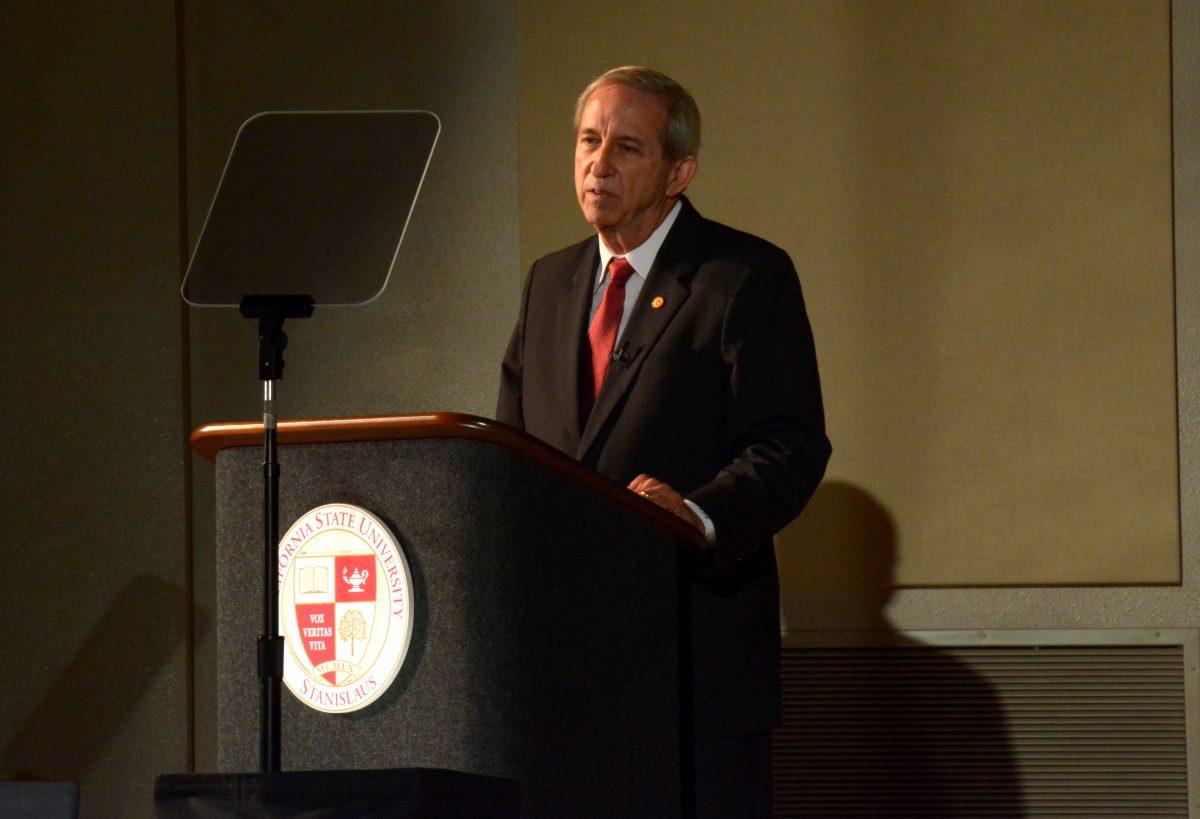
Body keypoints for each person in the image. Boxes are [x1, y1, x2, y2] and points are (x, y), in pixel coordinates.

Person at [496, 66, 830, 815]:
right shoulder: (548, 283)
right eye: (588, 141)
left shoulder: (743, 276)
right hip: (564, 674)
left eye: (626, 147)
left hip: (692, 663)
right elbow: (512, 455)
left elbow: (792, 444)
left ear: (678, 171)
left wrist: (699, 516)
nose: (598, 164)